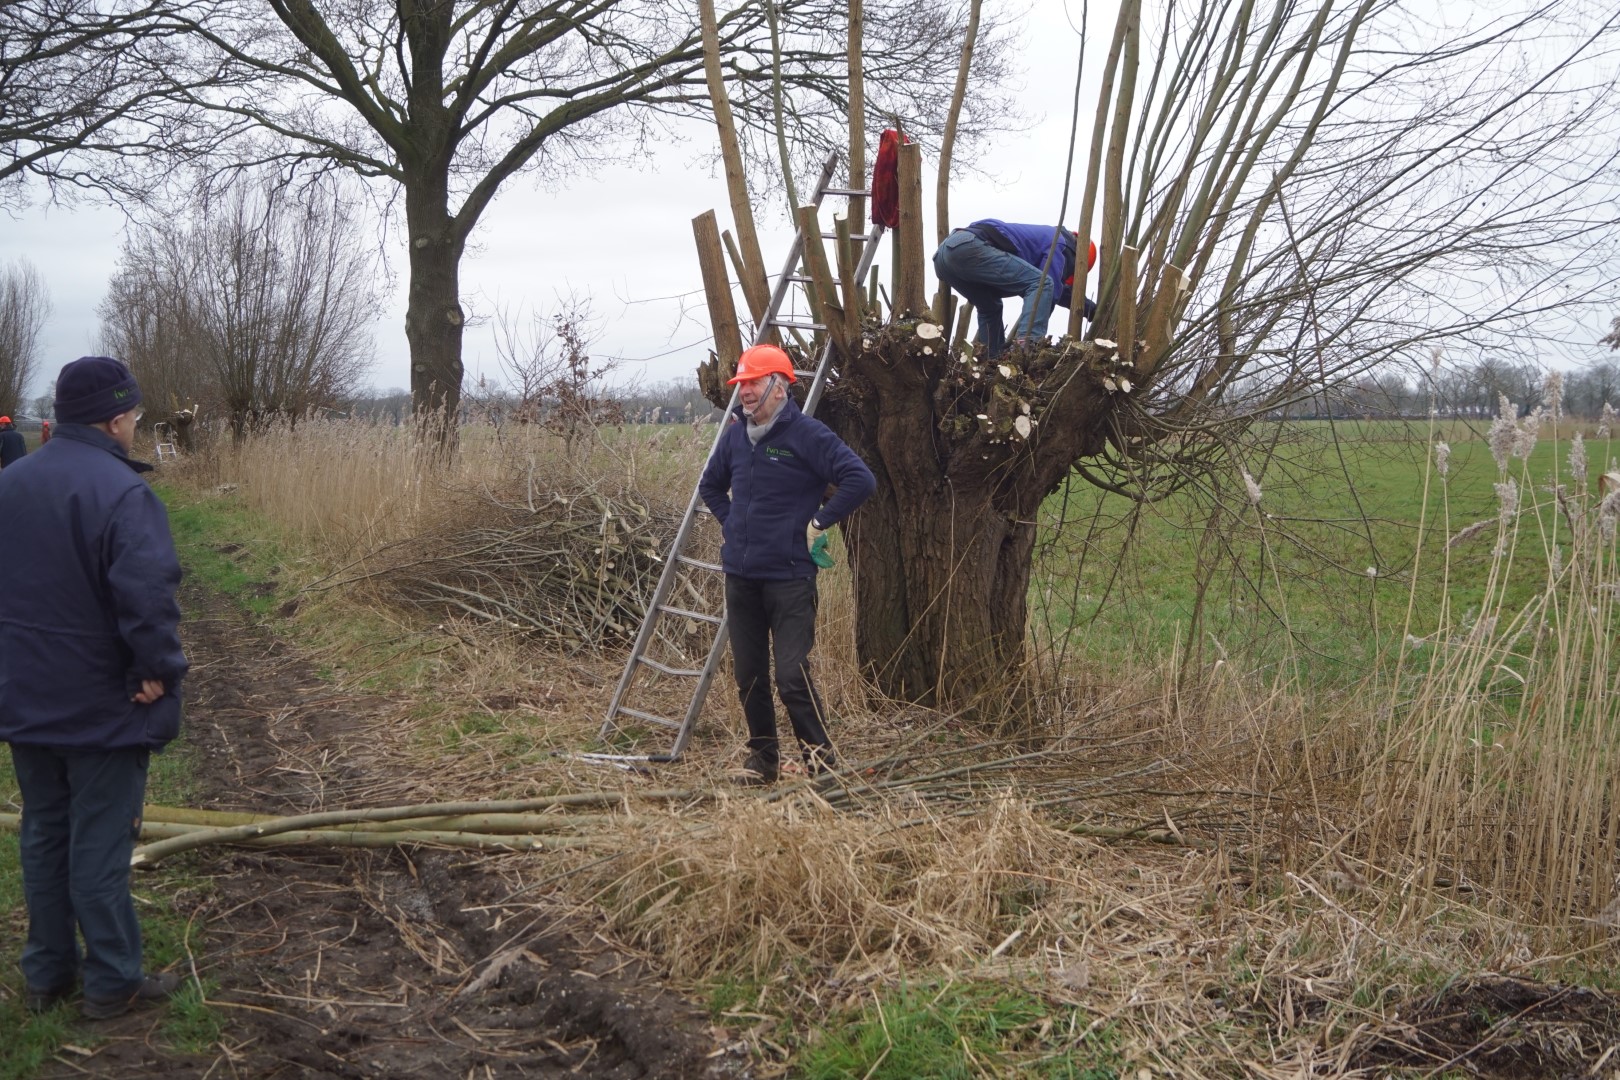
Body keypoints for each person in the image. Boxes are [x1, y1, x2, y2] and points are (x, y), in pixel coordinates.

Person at [0, 356, 188, 1020]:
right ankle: (113, 981)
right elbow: (147, 605)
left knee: (45, 832)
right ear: (115, 419)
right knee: (100, 842)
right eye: (133, 417)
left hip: (24, 698)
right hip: (102, 704)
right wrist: (158, 675)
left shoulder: (10, 482)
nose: (135, 427)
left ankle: (47, 977)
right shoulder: (123, 494)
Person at [698, 344, 875, 784]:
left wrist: (820, 520)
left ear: (780, 386)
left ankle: (821, 764)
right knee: (749, 676)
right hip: (741, 576)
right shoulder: (737, 434)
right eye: (742, 384)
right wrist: (731, 523)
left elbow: (860, 479)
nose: (746, 392)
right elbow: (711, 485)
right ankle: (764, 762)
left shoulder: (808, 435)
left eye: (754, 382)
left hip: (790, 576)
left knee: (791, 676)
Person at [933, 220, 1098, 359]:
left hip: (943, 258)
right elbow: (1049, 287)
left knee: (990, 307)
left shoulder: (1044, 238)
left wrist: (1091, 309)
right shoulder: (1063, 244)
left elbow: (1060, 290)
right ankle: (1027, 347)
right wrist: (1094, 311)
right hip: (968, 246)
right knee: (1043, 284)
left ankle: (992, 360)